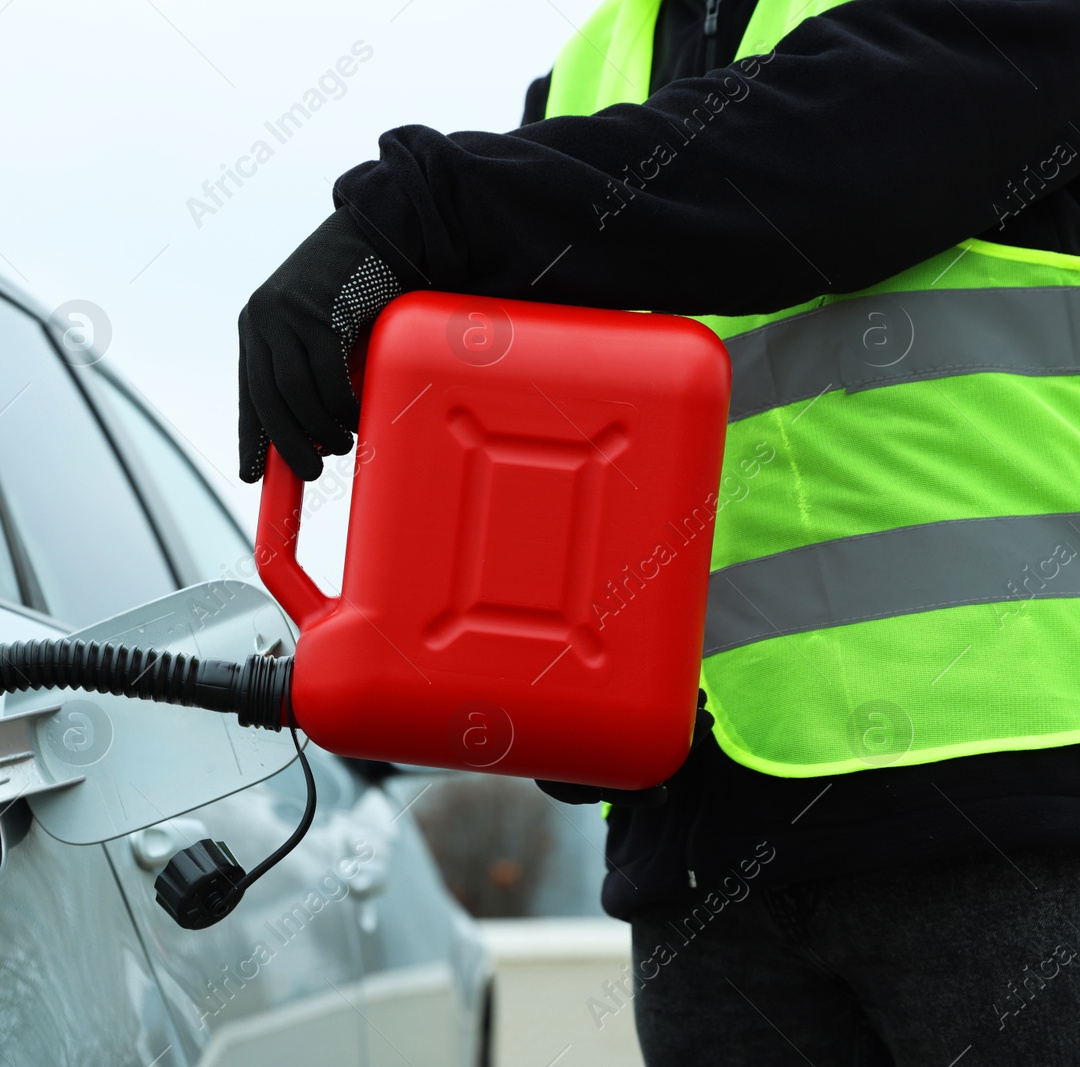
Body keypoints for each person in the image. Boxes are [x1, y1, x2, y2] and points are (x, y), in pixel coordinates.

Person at [235, 0, 1080, 1062]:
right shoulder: (591, 67)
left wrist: (424, 213)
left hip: (1010, 806)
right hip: (698, 852)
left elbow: (815, 172)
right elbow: (553, 417)